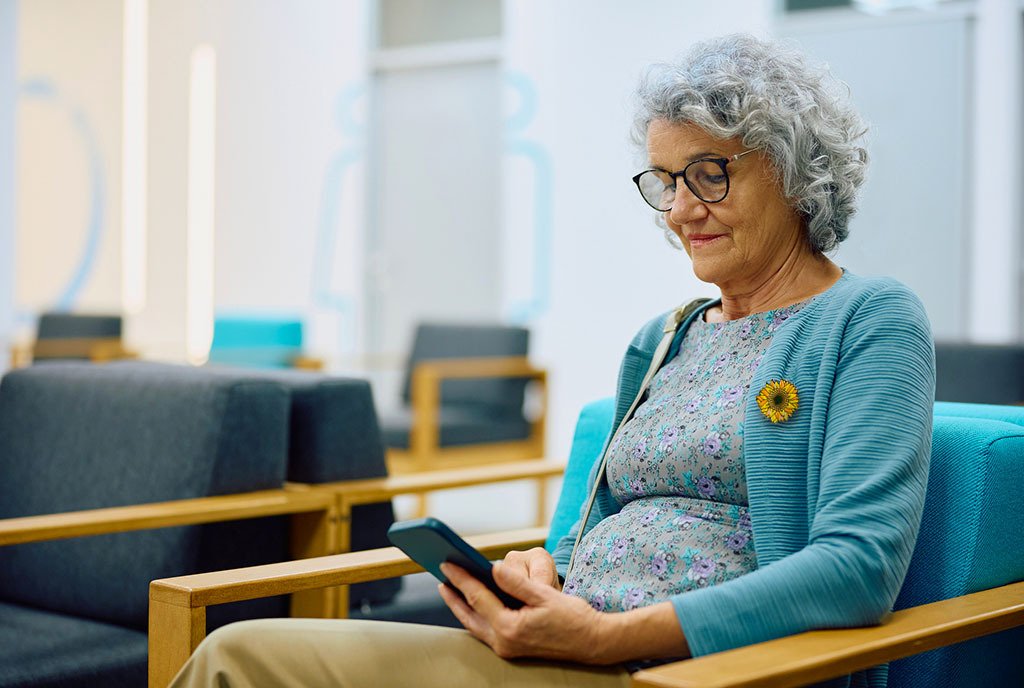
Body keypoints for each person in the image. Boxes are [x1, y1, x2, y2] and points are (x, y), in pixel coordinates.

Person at [170, 33, 934, 688]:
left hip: (688, 669)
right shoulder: (665, 337)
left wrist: (610, 639)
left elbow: (857, 568)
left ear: (794, 169)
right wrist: (542, 570)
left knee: (237, 660)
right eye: (666, 182)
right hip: (566, 650)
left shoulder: (868, 320)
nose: (679, 210)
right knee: (237, 655)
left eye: (709, 173)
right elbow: (588, 531)